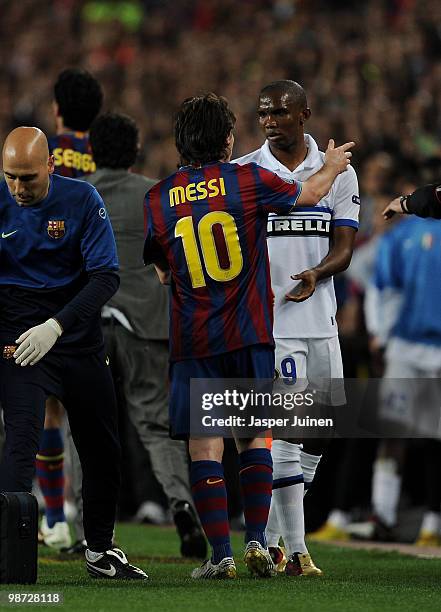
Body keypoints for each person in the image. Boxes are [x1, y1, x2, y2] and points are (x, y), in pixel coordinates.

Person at [143, 92, 354, 579]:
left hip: (196, 338)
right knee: (256, 438)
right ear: (228, 140)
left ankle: (221, 557)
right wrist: (335, 163)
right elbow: (309, 194)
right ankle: (260, 542)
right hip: (251, 332)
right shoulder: (248, 179)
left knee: (205, 447)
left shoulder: (158, 196)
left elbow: (161, 268)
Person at [0, 127, 147, 580]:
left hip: (76, 335)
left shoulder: (83, 200)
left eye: (28, 178)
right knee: (21, 442)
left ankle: (101, 551)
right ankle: (11, 560)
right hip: (19, 335)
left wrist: (56, 325)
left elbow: (105, 277)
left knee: (103, 449)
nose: (19, 189)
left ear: (51, 165)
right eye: (10, 178)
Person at [234, 80, 359, 576]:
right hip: (274, 324)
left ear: (304, 113)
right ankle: (298, 552)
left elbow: (344, 247)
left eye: (280, 113)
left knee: (321, 429)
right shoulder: (246, 172)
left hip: (321, 319)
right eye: (263, 113)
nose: (269, 120)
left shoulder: (338, 173)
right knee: (285, 431)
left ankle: (267, 532)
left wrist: (317, 273)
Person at [81, 111, 205, 558]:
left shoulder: (78, 194)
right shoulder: (156, 195)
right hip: (148, 326)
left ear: (91, 151)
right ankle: (182, 507)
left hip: (90, 325)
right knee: (155, 426)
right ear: (135, 151)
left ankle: (83, 526)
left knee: (86, 425)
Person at [39, 68, 104, 550]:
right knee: (91, 410)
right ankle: (83, 516)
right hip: (92, 296)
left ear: (57, 108)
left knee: (46, 410)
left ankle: (55, 516)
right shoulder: (107, 155)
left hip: (42, 291)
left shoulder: (36, 154)